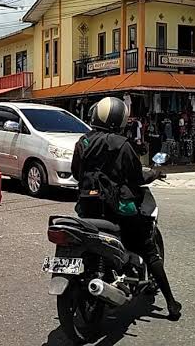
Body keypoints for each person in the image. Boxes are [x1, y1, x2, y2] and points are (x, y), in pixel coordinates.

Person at [71, 96, 182, 321]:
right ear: (120, 119)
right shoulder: (123, 145)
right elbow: (136, 177)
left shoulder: (82, 142)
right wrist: (154, 173)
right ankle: (171, 304)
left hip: (87, 209)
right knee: (149, 250)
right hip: (118, 212)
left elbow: (76, 173)